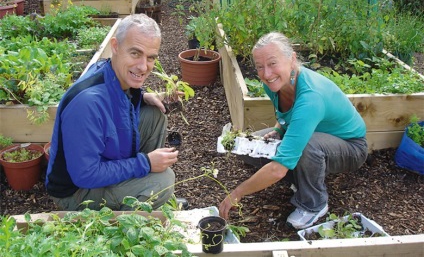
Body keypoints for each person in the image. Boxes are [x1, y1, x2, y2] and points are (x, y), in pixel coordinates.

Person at [219, 32, 368, 229]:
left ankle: (314, 203)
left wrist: (236, 193)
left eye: (273, 63)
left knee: (304, 148)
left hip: (349, 147)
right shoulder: (273, 85)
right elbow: (285, 115)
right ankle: (301, 177)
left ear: (292, 59)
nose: (266, 73)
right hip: (311, 135)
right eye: (260, 67)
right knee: (249, 145)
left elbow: (278, 168)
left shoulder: (310, 98)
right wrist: (279, 130)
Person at [45, 14, 184, 211]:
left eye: (150, 57)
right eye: (135, 53)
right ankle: (131, 216)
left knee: (154, 115)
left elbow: (117, 98)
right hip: (77, 192)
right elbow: (85, 175)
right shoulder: (87, 103)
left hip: (101, 165)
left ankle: (141, 192)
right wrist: (144, 163)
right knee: (164, 180)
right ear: (115, 46)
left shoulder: (111, 71)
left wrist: (143, 96)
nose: (144, 66)